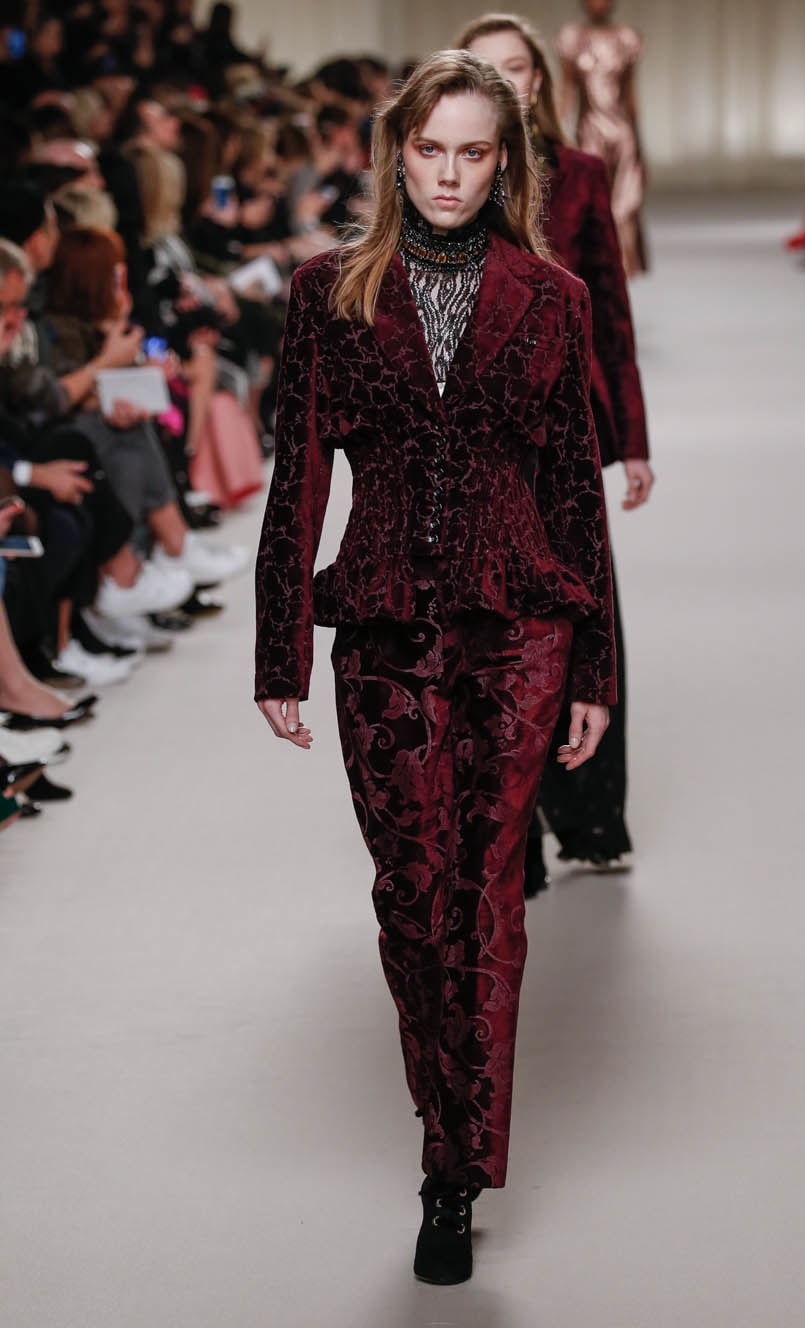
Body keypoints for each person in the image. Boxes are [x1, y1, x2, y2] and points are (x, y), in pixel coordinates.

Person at [255, 50, 616, 1285]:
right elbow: (298, 475)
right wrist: (280, 646)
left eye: (473, 151)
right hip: (384, 624)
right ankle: (445, 1100)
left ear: (504, 160)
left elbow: (574, 493)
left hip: (521, 624)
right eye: (430, 149)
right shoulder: (327, 293)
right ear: (395, 154)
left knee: (486, 887)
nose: (450, 174)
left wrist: (595, 667)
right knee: (410, 889)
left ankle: (453, 1169)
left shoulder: (552, 296)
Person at [457, 13, 654, 887]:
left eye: (518, 66)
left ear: (540, 77)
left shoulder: (578, 176)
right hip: (472, 435)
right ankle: (510, 836)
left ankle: (588, 814)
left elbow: (612, 313)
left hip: (565, 427)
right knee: (488, 625)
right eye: (486, 67)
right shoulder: (445, 176)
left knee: (582, 611)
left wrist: (633, 439)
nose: (506, 80)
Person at [556, 0, 647, 276]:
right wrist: (555, 135)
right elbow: (567, 92)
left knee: (625, 205)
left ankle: (620, 276)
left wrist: (641, 146)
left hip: (623, 134)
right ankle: (596, 272)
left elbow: (630, 94)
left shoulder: (626, 39)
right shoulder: (572, 40)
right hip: (589, 133)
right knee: (591, 204)